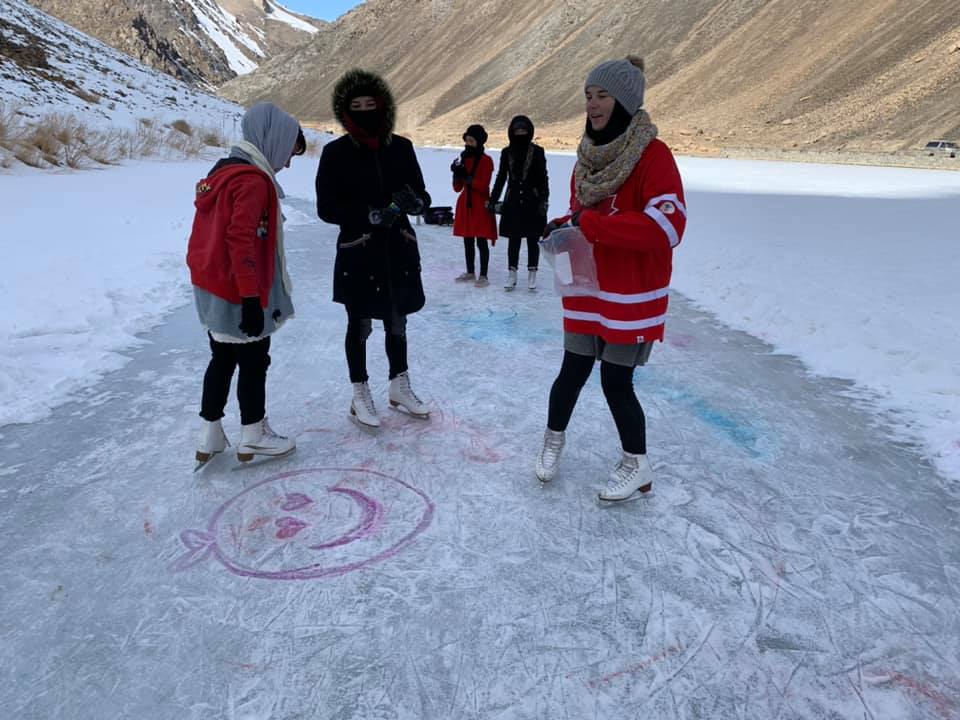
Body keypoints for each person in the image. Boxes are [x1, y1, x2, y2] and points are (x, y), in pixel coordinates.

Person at [535, 57, 686, 501]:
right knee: (571, 371)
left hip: (630, 293)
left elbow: (667, 227)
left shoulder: (654, 155)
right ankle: (552, 442)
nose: (593, 104)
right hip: (587, 288)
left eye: (603, 96)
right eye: (588, 95)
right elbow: (581, 213)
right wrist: (563, 225)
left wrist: (594, 225)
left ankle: (637, 465)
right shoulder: (587, 158)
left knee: (616, 382)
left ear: (625, 101)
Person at [187, 102, 305, 467]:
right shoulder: (253, 181)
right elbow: (241, 240)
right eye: (289, 153)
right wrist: (252, 299)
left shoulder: (223, 171)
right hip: (239, 288)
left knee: (222, 358)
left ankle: (210, 433)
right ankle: (254, 434)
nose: (287, 163)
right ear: (274, 141)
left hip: (212, 285)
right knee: (254, 361)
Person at [316, 68, 432, 429]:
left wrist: (415, 202)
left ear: (384, 106)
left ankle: (399, 385)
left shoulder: (402, 148)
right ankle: (360, 391)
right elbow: (326, 207)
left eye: (371, 104)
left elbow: (423, 195)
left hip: (398, 249)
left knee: (398, 320)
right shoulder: (335, 153)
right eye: (357, 106)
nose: (365, 111)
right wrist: (367, 215)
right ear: (345, 111)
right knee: (360, 323)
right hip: (359, 251)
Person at [487, 115, 549, 291]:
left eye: (524, 130)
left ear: (529, 132)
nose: (520, 133)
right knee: (514, 239)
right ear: (511, 132)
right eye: (517, 131)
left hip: (533, 201)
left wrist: (544, 200)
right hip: (513, 201)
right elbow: (501, 177)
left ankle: (532, 273)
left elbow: (543, 177)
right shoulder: (507, 152)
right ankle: (512, 274)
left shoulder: (537, 152)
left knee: (532, 238)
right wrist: (493, 199)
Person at [451, 124, 498, 287]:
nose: (468, 144)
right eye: (467, 140)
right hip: (466, 204)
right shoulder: (463, 159)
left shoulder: (486, 160)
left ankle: (483, 275)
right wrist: (456, 175)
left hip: (479, 205)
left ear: (479, 142)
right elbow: (457, 188)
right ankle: (470, 272)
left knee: (481, 240)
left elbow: (484, 186)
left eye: (471, 141)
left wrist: (467, 178)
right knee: (468, 239)